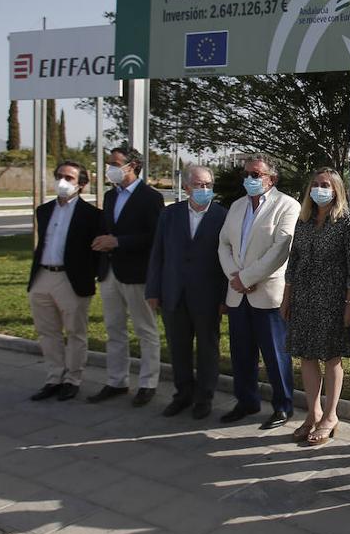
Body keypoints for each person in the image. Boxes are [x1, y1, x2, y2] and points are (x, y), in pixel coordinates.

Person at [217, 154, 300, 428]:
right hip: (238, 292)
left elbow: (281, 250)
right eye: (246, 174)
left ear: (271, 179)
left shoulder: (287, 205)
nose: (249, 179)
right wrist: (236, 277)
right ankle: (247, 401)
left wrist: (248, 277)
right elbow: (224, 245)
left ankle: (282, 406)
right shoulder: (237, 206)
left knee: (276, 354)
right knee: (241, 353)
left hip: (267, 294)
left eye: (256, 175)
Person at [281, 168, 350, 445]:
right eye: (315, 184)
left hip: (332, 300)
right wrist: (286, 297)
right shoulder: (303, 221)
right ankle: (312, 412)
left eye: (325, 184)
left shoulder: (348, 224)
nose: (319, 189)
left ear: (337, 189)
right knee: (306, 355)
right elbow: (293, 261)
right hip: (303, 297)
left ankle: (330, 416)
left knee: (331, 356)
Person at [145, 164, 228, 420]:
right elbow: (158, 254)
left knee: (207, 348)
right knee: (178, 348)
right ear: (186, 187)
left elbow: (230, 260)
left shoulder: (223, 216)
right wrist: (153, 290)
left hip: (208, 295)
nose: (204, 189)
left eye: (208, 185)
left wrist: (225, 297)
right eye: (198, 184)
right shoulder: (169, 215)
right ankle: (183, 394)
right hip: (173, 293)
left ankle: (204, 397)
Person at [88, 146, 164, 407]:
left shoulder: (150, 198)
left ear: (132, 166)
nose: (109, 167)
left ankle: (148, 383)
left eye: (114, 163)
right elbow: (107, 228)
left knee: (145, 330)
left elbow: (155, 238)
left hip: (137, 274)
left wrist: (119, 242)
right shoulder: (110, 197)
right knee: (114, 329)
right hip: (109, 272)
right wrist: (103, 241)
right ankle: (116, 381)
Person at [27, 161, 102, 402]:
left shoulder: (91, 215)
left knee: (75, 333)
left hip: (71, 280)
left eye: (69, 178)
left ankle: (73, 379)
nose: (62, 181)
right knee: (47, 332)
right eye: (59, 176)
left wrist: (89, 275)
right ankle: (54, 378)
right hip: (42, 277)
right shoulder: (44, 210)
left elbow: (96, 251)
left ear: (81, 184)